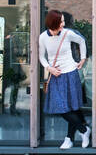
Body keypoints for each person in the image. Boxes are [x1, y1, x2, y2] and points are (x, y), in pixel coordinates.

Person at [39, 10, 90, 149]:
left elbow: (82, 41)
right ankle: (84, 130)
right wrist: (49, 68)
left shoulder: (67, 34)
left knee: (72, 107)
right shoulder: (43, 37)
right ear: (53, 23)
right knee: (61, 108)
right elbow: (41, 57)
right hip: (56, 75)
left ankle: (69, 138)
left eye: (63, 21)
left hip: (70, 73)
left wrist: (83, 59)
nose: (63, 24)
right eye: (61, 21)